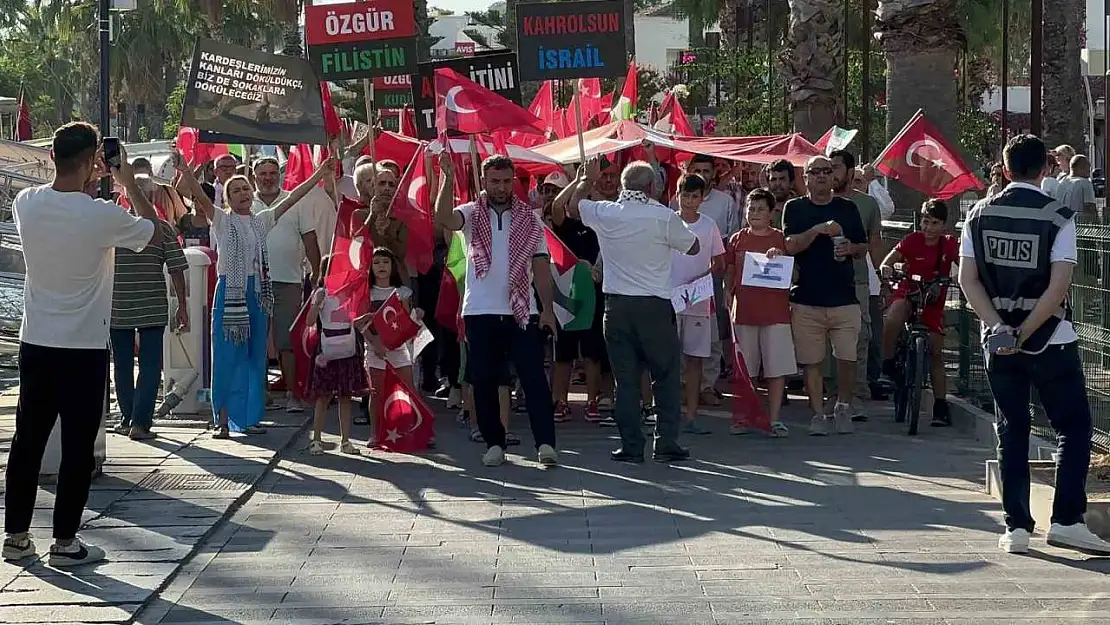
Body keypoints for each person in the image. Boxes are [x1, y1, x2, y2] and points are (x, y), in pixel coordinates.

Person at [4, 123, 161, 567]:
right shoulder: (102, 216)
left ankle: (15, 536)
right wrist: (127, 180)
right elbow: (153, 231)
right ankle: (65, 542)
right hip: (85, 348)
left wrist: (91, 172)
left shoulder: (26, 204)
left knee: (27, 442)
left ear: (52, 156)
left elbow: (57, 194)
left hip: (36, 341)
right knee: (77, 447)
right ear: (94, 161)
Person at [959, 133, 1110, 556]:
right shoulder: (1059, 216)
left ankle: (1017, 529)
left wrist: (997, 327)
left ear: (1005, 168)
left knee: (1012, 431)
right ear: (1044, 168)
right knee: (1074, 428)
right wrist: (1026, 331)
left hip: (998, 344)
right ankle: (1066, 521)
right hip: (1052, 341)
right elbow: (1059, 285)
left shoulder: (978, 215)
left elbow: (967, 280)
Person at [175, 152, 335, 439]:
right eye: (236, 190)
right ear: (228, 197)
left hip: (258, 293)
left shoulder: (261, 220)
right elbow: (198, 194)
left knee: (254, 357)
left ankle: (248, 417)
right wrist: (186, 169)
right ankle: (223, 421)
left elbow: (292, 198)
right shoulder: (222, 221)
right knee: (227, 356)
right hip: (231, 293)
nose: (242, 194)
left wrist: (319, 174)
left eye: (245, 189)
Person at [567, 158, 699, 464]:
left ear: (624, 186)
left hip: (617, 306)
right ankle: (665, 442)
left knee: (624, 380)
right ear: (652, 186)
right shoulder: (663, 217)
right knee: (664, 376)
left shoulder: (606, 212)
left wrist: (586, 179)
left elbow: (574, 208)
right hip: (653, 305)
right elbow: (691, 247)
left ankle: (630, 445)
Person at [435, 153, 559, 468]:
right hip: (480, 311)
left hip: (522, 312)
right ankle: (494, 443)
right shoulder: (471, 214)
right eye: (495, 181)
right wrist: (448, 179)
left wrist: (546, 310)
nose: (501, 187)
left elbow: (541, 268)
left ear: (513, 181)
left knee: (533, 380)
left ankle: (545, 443)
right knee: (485, 381)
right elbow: (444, 219)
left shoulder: (531, 219)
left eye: (506, 181)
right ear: (485, 181)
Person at [782, 156, 867, 436]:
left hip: (844, 298)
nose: (821, 176)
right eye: (814, 172)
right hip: (806, 299)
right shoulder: (794, 208)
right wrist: (816, 231)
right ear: (804, 178)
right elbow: (790, 246)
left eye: (826, 171)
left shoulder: (848, 208)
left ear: (835, 177)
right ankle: (818, 414)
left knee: (847, 357)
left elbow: (863, 247)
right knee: (811, 361)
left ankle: (843, 405)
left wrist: (849, 247)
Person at [110, 175, 191, 441]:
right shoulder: (163, 228)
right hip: (150, 305)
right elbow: (177, 269)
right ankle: (139, 423)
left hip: (118, 306)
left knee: (122, 365)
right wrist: (181, 305)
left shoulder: (115, 227)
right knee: (150, 365)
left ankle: (128, 418)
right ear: (152, 198)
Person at [878, 199, 959, 427]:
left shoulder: (949, 244)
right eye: (925, 222)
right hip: (909, 292)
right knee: (894, 314)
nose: (929, 228)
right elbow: (889, 260)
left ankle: (940, 406)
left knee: (935, 351)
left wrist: (958, 275)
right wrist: (887, 268)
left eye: (935, 223)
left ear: (944, 225)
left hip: (933, 300)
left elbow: (962, 265)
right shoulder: (912, 240)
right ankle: (888, 364)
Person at [253, 156, 322, 414]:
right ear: (254, 176)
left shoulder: (295, 202)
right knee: (257, 339)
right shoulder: (246, 202)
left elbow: (310, 238)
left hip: (289, 280)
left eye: (273, 173)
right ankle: (259, 392)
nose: (268, 178)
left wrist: (316, 273)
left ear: (279, 175)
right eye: (263, 174)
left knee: (287, 341)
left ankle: (293, 393)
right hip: (255, 283)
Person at [724, 189, 795, 437]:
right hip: (744, 312)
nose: (754, 213)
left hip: (775, 314)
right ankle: (744, 417)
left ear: (770, 214)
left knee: (776, 369)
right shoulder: (737, 239)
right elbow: (730, 271)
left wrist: (781, 256)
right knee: (746, 370)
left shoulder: (781, 239)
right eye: (751, 209)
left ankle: (774, 419)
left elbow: (793, 274)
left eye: (760, 209)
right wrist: (727, 294)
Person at [549, 170, 608, 423]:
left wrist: (590, 185)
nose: (577, 203)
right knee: (563, 354)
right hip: (567, 295)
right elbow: (556, 205)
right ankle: (560, 401)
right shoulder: (565, 225)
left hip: (594, 294)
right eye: (576, 199)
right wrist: (578, 180)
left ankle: (592, 401)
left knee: (592, 354)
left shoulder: (601, 225)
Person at [829, 149, 883, 420]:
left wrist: (881, 274)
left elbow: (874, 242)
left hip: (858, 279)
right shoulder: (816, 203)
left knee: (859, 336)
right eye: (827, 168)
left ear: (850, 172)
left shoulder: (868, 205)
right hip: (823, 279)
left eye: (836, 168)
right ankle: (832, 394)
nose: (831, 174)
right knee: (827, 336)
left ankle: (857, 394)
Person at [670, 174, 725, 434]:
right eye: (685, 195)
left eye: (694, 196)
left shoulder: (709, 225)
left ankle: (691, 415)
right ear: (677, 195)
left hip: (698, 300)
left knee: (695, 360)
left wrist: (704, 277)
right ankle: (665, 413)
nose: (689, 201)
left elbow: (719, 262)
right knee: (667, 358)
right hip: (669, 299)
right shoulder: (667, 221)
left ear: (702, 198)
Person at [304, 256, 368, 456]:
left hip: (347, 349)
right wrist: (317, 304)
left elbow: (350, 321)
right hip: (327, 350)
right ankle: (316, 439)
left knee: (346, 396)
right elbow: (309, 321)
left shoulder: (350, 293)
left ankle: (346, 440)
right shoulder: (322, 293)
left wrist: (362, 320)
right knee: (323, 396)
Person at [358, 248, 421, 447]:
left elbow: (406, 322)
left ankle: (411, 430)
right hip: (375, 350)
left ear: (392, 266)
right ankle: (375, 434)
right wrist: (375, 343)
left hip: (399, 349)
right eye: (376, 263)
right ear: (370, 267)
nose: (381, 266)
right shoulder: (366, 293)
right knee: (376, 394)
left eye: (385, 262)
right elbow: (361, 324)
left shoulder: (402, 292)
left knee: (407, 391)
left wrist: (415, 316)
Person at [765, 158, 796, 229]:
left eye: (782, 179)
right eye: (773, 179)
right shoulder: (760, 209)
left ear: (791, 183)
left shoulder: (801, 208)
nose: (777, 184)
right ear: (768, 183)